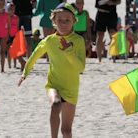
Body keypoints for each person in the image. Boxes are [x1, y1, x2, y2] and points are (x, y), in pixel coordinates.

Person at [18, 3, 85, 137]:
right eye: (59, 20)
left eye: (67, 20)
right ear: (54, 21)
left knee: (66, 130)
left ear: (73, 21)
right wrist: (25, 73)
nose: (63, 23)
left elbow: (80, 68)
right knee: (55, 104)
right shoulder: (49, 41)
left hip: (71, 88)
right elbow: (33, 57)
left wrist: (68, 51)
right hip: (53, 84)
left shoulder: (78, 40)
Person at [7, 3, 26, 71]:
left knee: (15, 52)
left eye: (13, 9)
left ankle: (22, 63)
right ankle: (9, 65)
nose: (11, 11)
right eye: (10, 9)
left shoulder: (16, 17)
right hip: (8, 35)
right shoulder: (6, 16)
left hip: (14, 36)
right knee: (9, 51)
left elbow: (17, 28)